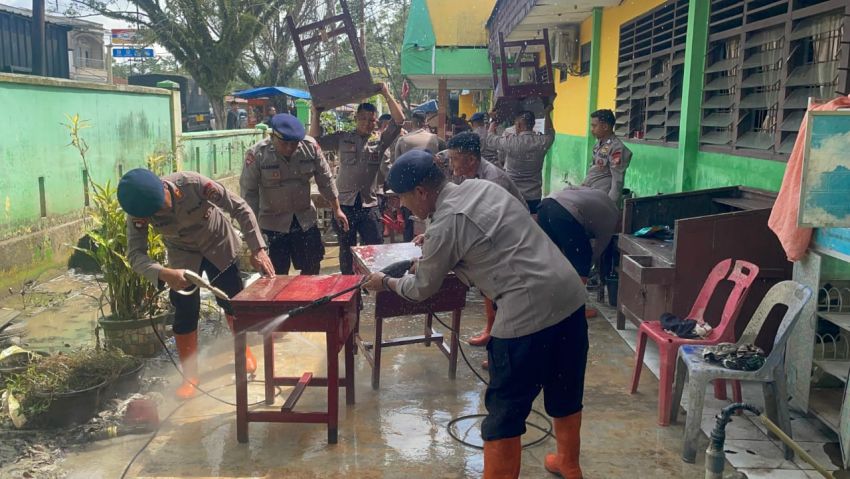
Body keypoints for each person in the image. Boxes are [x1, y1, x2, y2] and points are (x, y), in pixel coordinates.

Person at [363, 150, 588, 479]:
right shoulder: (483, 188)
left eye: (404, 200)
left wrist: (385, 282)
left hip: (526, 315)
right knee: (565, 389)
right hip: (569, 297)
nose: (403, 207)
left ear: (422, 193)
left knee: (504, 413)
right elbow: (497, 228)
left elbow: (421, 288)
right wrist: (442, 242)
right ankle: (569, 464)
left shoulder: (445, 227)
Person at [119, 169, 275, 400]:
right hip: (182, 256)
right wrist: (163, 273)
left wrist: (257, 248)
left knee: (232, 301)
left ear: (164, 188)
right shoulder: (138, 211)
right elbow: (135, 255)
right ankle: (190, 375)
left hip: (218, 243)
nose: (161, 213)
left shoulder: (195, 184)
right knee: (184, 312)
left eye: (162, 206)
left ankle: (243, 353)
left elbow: (240, 207)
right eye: (155, 213)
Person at [309, 82, 404, 274]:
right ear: (356, 119)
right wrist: (316, 113)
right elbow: (315, 141)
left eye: (371, 120)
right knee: (346, 250)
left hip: (369, 205)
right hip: (344, 205)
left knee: (374, 249)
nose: (367, 123)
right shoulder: (343, 138)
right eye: (363, 119)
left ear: (376, 122)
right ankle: (350, 293)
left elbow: (400, 120)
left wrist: (386, 93)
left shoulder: (380, 141)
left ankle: (374, 286)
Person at [444, 131, 526, 353]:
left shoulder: (493, 179)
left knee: (505, 296)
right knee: (487, 288)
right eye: (449, 158)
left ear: (471, 159)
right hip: (490, 235)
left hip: (511, 236)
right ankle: (490, 331)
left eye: (454, 159)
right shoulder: (463, 174)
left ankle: (501, 350)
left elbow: (491, 220)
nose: (451, 164)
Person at [240, 113, 349, 275]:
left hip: (305, 221)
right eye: (284, 144)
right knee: (275, 275)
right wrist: (254, 235)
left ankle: (310, 301)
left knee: (312, 270)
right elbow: (249, 195)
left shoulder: (310, 147)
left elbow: (325, 180)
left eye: (294, 144)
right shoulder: (257, 154)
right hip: (272, 224)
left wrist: (337, 209)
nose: (290, 148)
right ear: (272, 136)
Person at [538, 185, 619, 282]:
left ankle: (550, 288)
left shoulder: (601, 195)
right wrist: (588, 265)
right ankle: (576, 295)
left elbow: (569, 188)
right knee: (583, 259)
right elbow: (599, 248)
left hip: (546, 203)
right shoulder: (612, 221)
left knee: (554, 256)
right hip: (564, 212)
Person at [485, 105, 555, 214]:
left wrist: (493, 119)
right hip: (534, 196)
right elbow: (550, 133)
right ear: (533, 124)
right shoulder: (542, 142)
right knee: (531, 224)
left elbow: (490, 139)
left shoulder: (511, 142)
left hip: (512, 193)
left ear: (518, 124)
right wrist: (547, 113)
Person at [582, 109, 632, 204]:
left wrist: (610, 204)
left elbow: (617, 181)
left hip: (601, 198)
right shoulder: (599, 145)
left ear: (605, 126)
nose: (591, 129)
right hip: (590, 191)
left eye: (594, 126)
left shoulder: (617, 148)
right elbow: (595, 170)